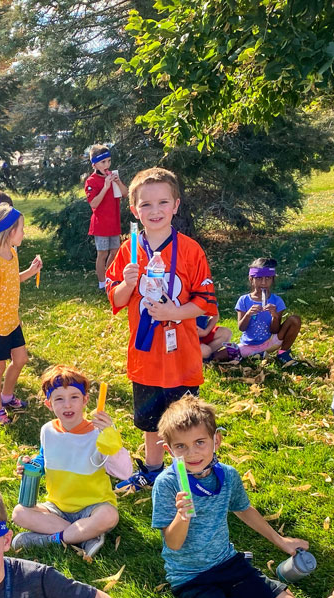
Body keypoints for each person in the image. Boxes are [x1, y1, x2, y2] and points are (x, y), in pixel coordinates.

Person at [151, 395, 306, 598]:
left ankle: (235, 595)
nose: (192, 453)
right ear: (168, 449)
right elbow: (172, 543)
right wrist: (182, 517)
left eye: (200, 442)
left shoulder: (228, 475)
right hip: (190, 577)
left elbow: (243, 509)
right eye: (181, 446)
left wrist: (281, 541)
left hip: (229, 563)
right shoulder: (167, 484)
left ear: (217, 440)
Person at [105, 167, 218, 491]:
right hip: (146, 357)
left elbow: (204, 301)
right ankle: (153, 470)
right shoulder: (129, 249)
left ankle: (190, 472)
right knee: (150, 420)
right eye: (146, 205)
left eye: (162, 203)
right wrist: (128, 283)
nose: (155, 211)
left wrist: (176, 312)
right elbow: (116, 297)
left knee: (185, 421)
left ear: (176, 206)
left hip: (182, 356)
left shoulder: (191, 250)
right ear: (134, 209)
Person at [10, 365, 131, 559]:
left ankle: (50, 539)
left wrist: (110, 437)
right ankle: (84, 537)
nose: (67, 405)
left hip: (93, 507)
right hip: (58, 508)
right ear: (49, 404)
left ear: (85, 400)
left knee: (109, 516)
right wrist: (33, 466)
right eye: (59, 399)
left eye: (74, 397)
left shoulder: (99, 433)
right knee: (19, 513)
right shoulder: (47, 430)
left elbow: (125, 473)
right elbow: (45, 456)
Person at [0, 204, 42, 425]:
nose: (24, 233)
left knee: (21, 359)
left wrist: (31, 271)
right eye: (22, 229)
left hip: (12, 322)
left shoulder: (12, 253)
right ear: (10, 231)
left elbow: (14, 279)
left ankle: (6, 396)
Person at [235, 257, 302, 367]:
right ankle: (258, 354)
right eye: (259, 278)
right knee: (220, 355)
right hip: (249, 345)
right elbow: (241, 328)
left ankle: (283, 353)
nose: (263, 283)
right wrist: (248, 314)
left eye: (268, 278)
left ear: (272, 279)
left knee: (295, 319)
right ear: (251, 279)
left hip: (271, 341)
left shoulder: (277, 301)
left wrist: (274, 316)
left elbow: (274, 330)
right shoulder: (243, 300)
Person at [85, 145, 128, 291]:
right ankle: (102, 283)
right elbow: (94, 203)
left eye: (109, 161)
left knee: (115, 251)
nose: (107, 165)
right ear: (94, 164)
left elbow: (125, 193)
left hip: (114, 221)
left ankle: (109, 277)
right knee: (102, 253)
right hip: (100, 223)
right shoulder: (91, 181)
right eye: (103, 162)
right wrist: (105, 187)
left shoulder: (113, 176)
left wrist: (118, 182)